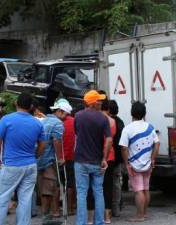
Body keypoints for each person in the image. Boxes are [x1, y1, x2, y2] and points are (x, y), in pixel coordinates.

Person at [0, 93, 46, 225]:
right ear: (31, 106)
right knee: (25, 201)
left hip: (11, 166)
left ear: (16, 103)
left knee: (0, 199)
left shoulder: (7, 119)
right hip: (30, 166)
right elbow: (43, 144)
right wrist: (35, 156)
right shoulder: (37, 123)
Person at [74, 90, 113, 225]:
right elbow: (109, 140)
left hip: (80, 161)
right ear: (93, 103)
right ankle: (99, 222)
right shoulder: (103, 118)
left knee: (81, 193)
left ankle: (81, 222)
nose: (101, 103)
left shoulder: (78, 116)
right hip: (96, 161)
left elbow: (77, 133)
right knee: (98, 191)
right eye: (99, 101)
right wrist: (104, 158)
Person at [119, 101, 160, 222]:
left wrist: (126, 163)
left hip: (134, 165)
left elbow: (124, 148)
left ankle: (139, 216)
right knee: (145, 189)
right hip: (147, 164)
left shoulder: (128, 129)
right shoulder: (149, 127)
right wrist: (152, 158)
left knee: (138, 191)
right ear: (144, 113)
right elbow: (157, 144)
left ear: (132, 113)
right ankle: (145, 213)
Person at [37, 99, 72, 223]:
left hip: (39, 159)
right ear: (60, 111)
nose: (66, 117)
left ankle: (46, 215)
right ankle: (46, 217)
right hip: (48, 160)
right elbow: (56, 141)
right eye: (65, 114)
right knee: (49, 187)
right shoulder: (57, 123)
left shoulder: (44, 119)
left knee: (43, 188)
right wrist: (60, 158)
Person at [53, 103, 77, 217]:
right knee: (70, 184)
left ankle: (56, 210)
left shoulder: (55, 123)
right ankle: (70, 208)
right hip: (71, 157)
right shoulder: (74, 121)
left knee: (58, 185)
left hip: (58, 158)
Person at [108, 100, 125, 218]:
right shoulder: (120, 122)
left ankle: (107, 210)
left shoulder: (107, 122)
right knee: (116, 184)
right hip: (118, 159)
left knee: (106, 184)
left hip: (108, 157)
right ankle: (116, 209)